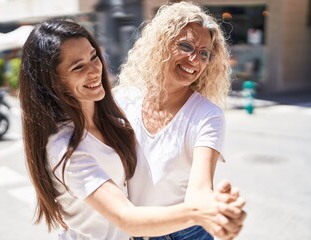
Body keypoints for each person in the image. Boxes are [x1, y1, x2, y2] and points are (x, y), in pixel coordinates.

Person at [18, 18, 245, 240]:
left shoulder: (109, 112)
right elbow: (125, 216)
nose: (94, 70)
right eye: (78, 67)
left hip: (180, 231)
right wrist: (204, 212)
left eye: (94, 57)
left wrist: (213, 208)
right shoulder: (70, 143)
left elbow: (200, 188)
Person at [115, 1, 246, 239]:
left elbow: (200, 188)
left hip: (185, 233)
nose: (194, 60)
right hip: (129, 230)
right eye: (186, 46)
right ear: (161, 45)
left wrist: (215, 210)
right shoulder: (124, 99)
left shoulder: (207, 115)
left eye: (204, 53)